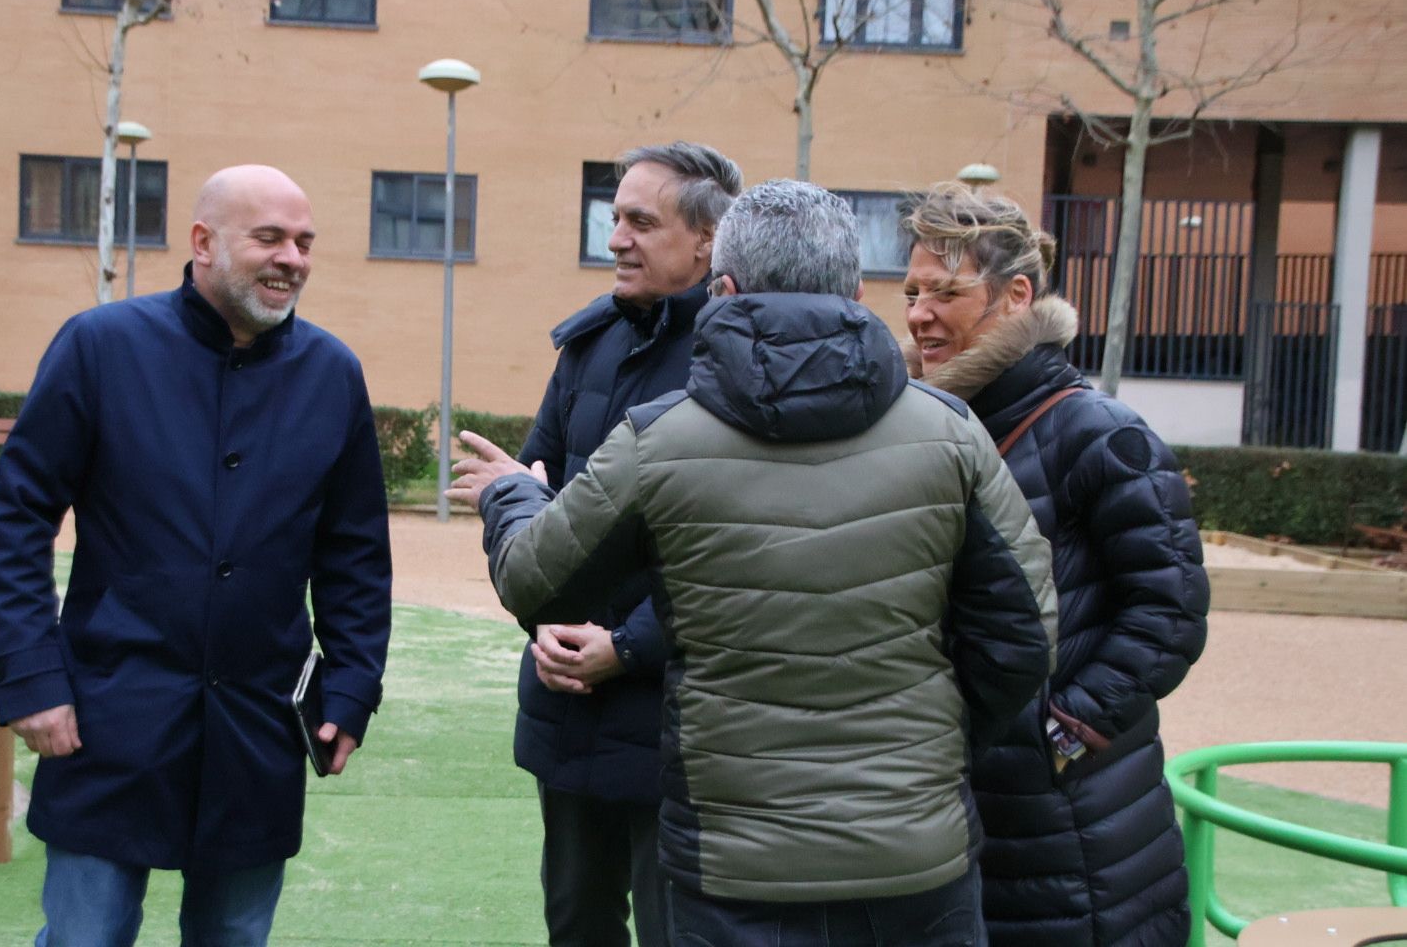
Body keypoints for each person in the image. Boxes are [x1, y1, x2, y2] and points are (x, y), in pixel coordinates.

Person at [449, 179, 1058, 947]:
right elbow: (1025, 635)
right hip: (913, 854)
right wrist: (931, 747)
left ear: (723, 291)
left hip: (736, 868)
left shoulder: (660, 440)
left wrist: (511, 496)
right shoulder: (950, 432)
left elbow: (533, 580)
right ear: (852, 289)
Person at [0, 164, 393, 946]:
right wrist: (31, 678)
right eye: (268, 237)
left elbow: (355, 552)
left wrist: (352, 687)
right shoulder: (100, 347)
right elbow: (18, 518)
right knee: (83, 939)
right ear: (202, 242)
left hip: (258, 723)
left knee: (234, 937)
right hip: (108, 713)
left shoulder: (332, 374)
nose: (292, 259)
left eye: (304, 242)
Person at [900, 182, 1210, 947]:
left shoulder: (1099, 432)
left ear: (1016, 296)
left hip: (1078, 821)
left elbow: (1169, 611)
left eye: (945, 292)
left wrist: (1066, 732)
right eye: (910, 291)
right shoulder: (921, 428)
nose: (917, 314)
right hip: (962, 805)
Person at [512, 140, 741, 947]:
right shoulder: (589, 345)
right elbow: (527, 496)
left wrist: (631, 647)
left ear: (707, 242)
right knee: (577, 923)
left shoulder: (743, 362)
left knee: (677, 932)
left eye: (641, 222)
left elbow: (744, 553)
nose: (616, 240)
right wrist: (543, 622)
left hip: (678, 716)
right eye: (617, 220)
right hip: (565, 698)